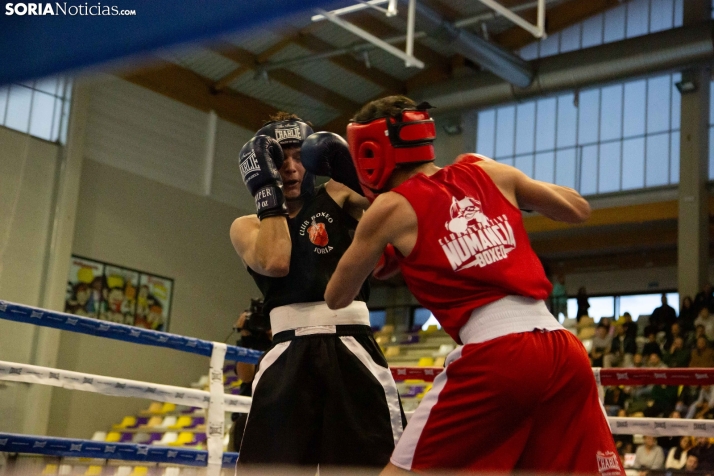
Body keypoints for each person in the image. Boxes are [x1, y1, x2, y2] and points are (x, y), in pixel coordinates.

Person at [324, 96, 623, 475]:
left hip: (499, 357)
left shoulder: (389, 209)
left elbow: (337, 296)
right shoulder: (485, 171)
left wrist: (362, 224)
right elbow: (578, 209)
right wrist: (507, 196)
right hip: (564, 350)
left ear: (367, 153)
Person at [230, 112, 404, 470]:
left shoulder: (339, 194)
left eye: (299, 156)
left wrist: (355, 174)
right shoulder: (246, 226)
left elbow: (401, 212)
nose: (290, 168)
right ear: (262, 166)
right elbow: (278, 261)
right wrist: (268, 193)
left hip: (350, 342)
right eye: (278, 159)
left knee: (368, 466)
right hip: (286, 353)